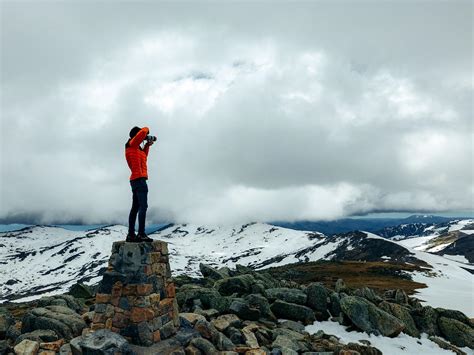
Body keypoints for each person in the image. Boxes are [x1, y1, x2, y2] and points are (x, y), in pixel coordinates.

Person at [125, 126, 154, 242]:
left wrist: (147, 145)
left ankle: (131, 234)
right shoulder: (132, 144)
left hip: (135, 180)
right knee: (143, 206)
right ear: (136, 136)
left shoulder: (134, 148)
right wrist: (146, 130)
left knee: (135, 208)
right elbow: (142, 132)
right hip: (139, 180)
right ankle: (141, 233)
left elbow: (143, 158)